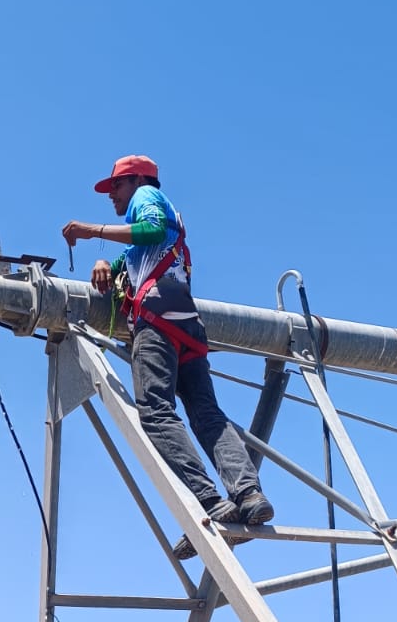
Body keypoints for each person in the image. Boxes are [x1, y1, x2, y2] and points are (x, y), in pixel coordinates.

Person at [62, 154, 274, 543]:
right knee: (207, 413)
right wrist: (103, 263)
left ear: (140, 180)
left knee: (156, 413)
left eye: (116, 186)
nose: (112, 195)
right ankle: (248, 493)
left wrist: (92, 232)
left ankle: (210, 500)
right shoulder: (164, 225)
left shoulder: (147, 198)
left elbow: (150, 231)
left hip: (157, 320)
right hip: (186, 324)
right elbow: (135, 254)